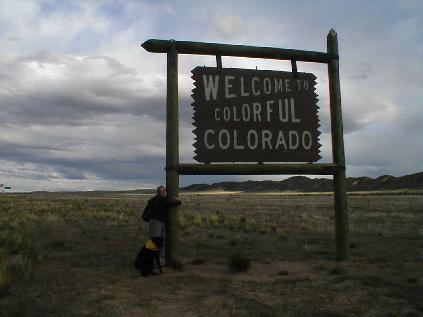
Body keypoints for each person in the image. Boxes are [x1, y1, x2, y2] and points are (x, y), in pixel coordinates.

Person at [148, 186, 181, 255]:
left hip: (158, 222)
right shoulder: (161, 199)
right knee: (156, 241)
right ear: (159, 192)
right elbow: (173, 203)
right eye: (163, 191)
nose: (164, 192)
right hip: (156, 222)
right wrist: (178, 201)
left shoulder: (156, 199)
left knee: (159, 241)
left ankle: (157, 259)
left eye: (164, 191)